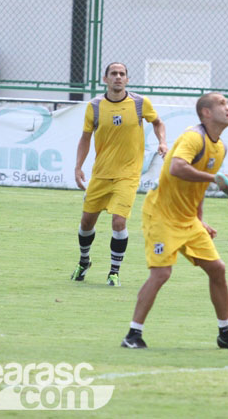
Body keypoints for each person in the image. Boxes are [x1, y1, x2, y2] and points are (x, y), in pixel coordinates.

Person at [121, 92, 228, 350]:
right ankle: (133, 335)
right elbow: (177, 168)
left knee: (218, 269)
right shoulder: (194, 137)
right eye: (223, 104)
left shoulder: (220, 147)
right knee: (161, 274)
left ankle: (225, 333)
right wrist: (214, 179)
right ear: (206, 112)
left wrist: (199, 220)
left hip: (187, 219)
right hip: (161, 216)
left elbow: (198, 187)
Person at [72, 62, 167, 287]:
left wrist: (162, 141)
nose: (118, 77)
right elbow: (85, 137)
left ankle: (114, 272)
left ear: (127, 79)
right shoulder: (94, 106)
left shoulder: (139, 104)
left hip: (128, 175)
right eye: (113, 74)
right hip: (101, 174)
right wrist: (78, 167)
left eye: (122, 74)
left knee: (118, 222)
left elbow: (158, 122)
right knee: (87, 222)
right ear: (105, 79)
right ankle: (84, 261)